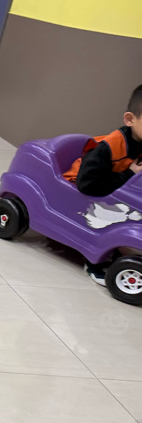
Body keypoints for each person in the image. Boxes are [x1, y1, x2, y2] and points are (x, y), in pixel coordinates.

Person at [63, 85, 142, 282]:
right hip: (88, 188)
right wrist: (129, 174)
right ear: (130, 119)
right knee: (107, 217)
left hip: (114, 189)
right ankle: (96, 261)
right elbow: (87, 185)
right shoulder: (108, 148)